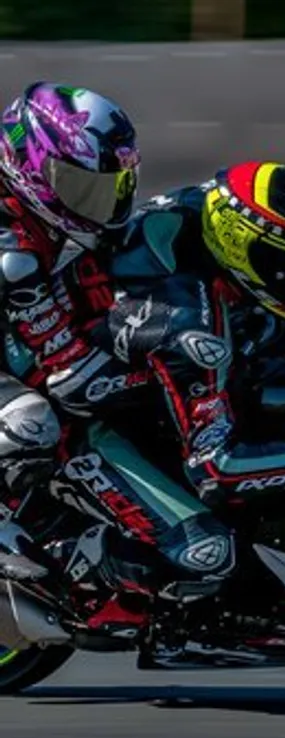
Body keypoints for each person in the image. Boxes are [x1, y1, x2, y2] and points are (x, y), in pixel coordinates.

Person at [46, 161, 285, 637]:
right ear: (244, 250)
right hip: (92, 423)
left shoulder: (212, 207)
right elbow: (217, 469)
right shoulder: (191, 328)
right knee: (207, 554)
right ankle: (74, 566)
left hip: (144, 367)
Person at [0, 82, 139, 526]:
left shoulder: (26, 210)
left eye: (111, 186)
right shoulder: (13, 255)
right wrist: (149, 375)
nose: (101, 204)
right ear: (32, 168)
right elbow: (67, 372)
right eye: (81, 186)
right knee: (36, 422)